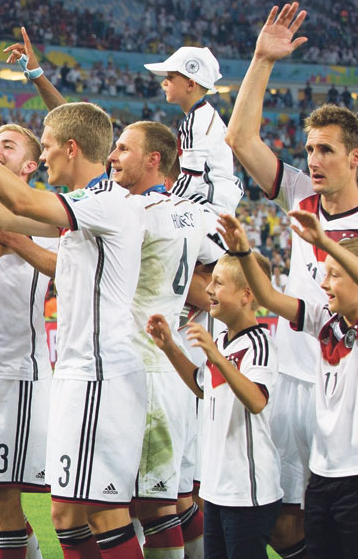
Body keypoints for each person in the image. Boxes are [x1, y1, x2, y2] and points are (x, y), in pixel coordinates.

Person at [0, 95, 146, 557]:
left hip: (100, 371)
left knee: (103, 513)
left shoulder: (104, 202)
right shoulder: (85, 205)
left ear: (70, 148)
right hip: (78, 371)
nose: (48, 154)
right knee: (67, 514)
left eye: (50, 145)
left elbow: (16, 204)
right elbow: (2, 218)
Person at [225, 5, 358, 557]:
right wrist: (261, 60)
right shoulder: (301, 194)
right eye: (309, 150)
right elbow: (240, 140)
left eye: (326, 150)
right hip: (290, 375)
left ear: (355, 157)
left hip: (346, 386)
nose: (314, 160)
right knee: (283, 521)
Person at [110, 121, 224, 559]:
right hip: (171, 368)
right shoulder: (194, 214)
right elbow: (219, 276)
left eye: (124, 149)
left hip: (147, 368)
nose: (114, 157)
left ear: (154, 159)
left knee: (154, 506)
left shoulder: (133, 211)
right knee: (172, 499)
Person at [218, 210, 358, 558]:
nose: (324, 285)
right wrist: (243, 251)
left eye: (335, 275)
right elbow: (267, 296)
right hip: (321, 476)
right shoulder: (324, 320)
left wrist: (325, 243)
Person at [147, 250, 282, 558]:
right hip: (217, 490)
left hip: (247, 494)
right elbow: (201, 385)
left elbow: (257, 400)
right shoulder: (221, 341)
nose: (208, 289)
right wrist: (169, 347)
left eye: (218, 283)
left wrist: (217, 358)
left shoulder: (259, 344)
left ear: (247, 294)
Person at [144, 47, 242, 212]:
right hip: (220, 202)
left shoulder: (196, 121)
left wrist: (165, 202)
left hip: (208, 206)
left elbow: (191, 179)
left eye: (170, 77)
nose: (164, 82)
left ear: (190, 84)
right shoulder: (205, 114)